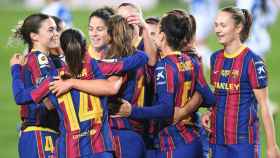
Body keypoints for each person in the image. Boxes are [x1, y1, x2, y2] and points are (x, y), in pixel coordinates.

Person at [117, 9, 214, 158]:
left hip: (174, 144)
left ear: (162, 36)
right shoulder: (192, 62)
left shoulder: (165, 66)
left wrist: (131, 111)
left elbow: (165, 109)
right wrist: (187, 108)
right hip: (194, 141)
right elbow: (209, 98)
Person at [201, 7, 280, 158]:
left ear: (238, 28)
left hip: (243, 143)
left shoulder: (253, 61)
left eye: (223, 25)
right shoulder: (215, 58)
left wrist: (272, 146)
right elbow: (219, 93)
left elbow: (264, 105)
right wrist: (210, 113)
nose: (218, 30)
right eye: (216, 25)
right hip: (217, 140)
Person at [10, 13, 60, 158]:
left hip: (39, 133)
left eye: (56, 29)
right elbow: (49, 100)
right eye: (51, 30)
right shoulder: (40, 58)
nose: (56, 34)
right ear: (34, 36)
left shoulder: (44, 59)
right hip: (41, 134)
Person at [186, 0, 220, 69]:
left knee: (196, 43)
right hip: (207, 12)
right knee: (197, 43)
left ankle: (217, 66)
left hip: (202, 13)